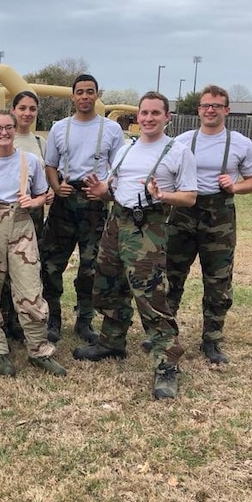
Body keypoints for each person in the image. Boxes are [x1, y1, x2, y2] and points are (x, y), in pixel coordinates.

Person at [73, 91, 197, 399]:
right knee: (108, 285)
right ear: (137, 117)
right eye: (144, 113)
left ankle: (167, 365)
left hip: (148, 227)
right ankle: (112, 341)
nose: (149, 118)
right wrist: (103, 190)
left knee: (150, 295)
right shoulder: (126, 149)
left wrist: (164, 195)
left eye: (156, 113)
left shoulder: (178, 152)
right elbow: (114, 189)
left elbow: (190, 196)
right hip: (117, 222)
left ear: (167, 117)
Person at [162, 85, 252, 364]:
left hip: (219, 217)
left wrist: (235, 186)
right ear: (199, 110)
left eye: (216, 106)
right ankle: (165, 335)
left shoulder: (241, 143)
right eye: (206, 105)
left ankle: (212, 340)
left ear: (226, 110)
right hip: (184, 214)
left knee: (218, 280)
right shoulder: (182, 140)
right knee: (171, 276)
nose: (210, 110)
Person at [0, 110, 67, 377]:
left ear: (14, 129)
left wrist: (33, 202)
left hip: (22, 225)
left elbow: (44, 195)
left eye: (8, 127)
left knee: (30, 289)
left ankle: (38, 349)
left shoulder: (30, 161)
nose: (4, 133)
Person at [41, 75, 125, 344]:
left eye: (90, 92)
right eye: (80, 92)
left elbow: (119, 168)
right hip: (65, 202)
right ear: (73, 96)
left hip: (94, 203)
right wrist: (55, 188)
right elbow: (50, 165)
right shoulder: (59, 128)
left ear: (97, 95)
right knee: (52, 263)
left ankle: (84, 319)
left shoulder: (111, 129)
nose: (85, 97)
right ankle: (53, 318)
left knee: (91, 266)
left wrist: (104, 189)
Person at [0, 91, 52, 342]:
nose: (27, 113)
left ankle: (25, 319)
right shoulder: (4, 138)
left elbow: (46, 177)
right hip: (4, 213)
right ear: (13, 110)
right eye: (22, 108)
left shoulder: (40, 143)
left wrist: (47, 193)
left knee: (28, 268)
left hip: (33, 214)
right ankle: (4, 319)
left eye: (32, 109)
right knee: (3, 269)